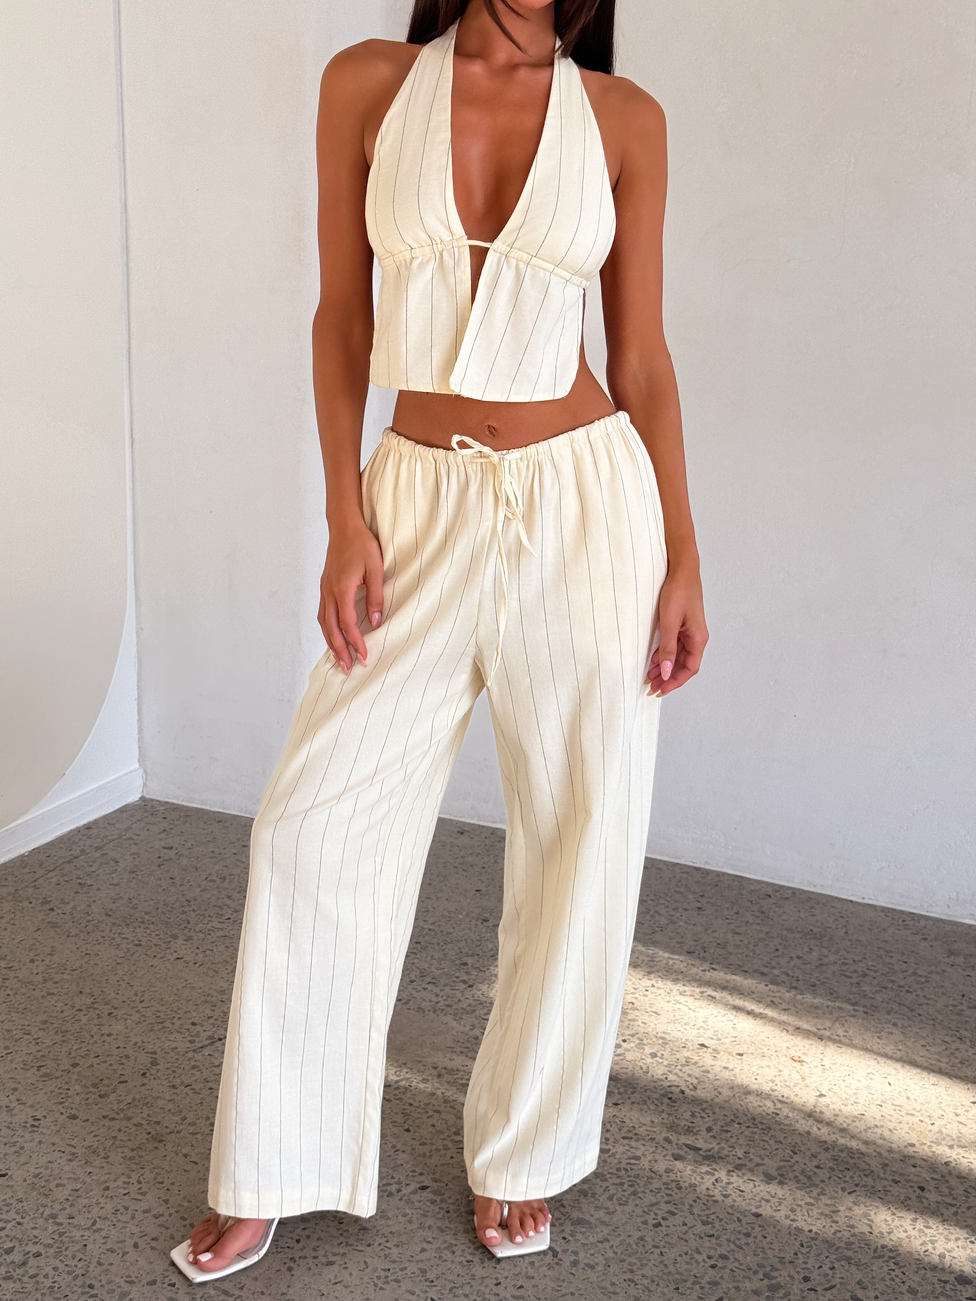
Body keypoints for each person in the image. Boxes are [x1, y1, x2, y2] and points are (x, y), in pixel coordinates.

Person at [174, 0, 707, 1280]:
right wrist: (344, 513)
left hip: (587, 503)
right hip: (414, 496)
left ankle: (521, 1154)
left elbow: (636, 356)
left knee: (580, 836)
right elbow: (341, 319)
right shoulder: (367, 83)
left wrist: (684, 551)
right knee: (311, 825)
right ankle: (271, 1158)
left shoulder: (625, 119)